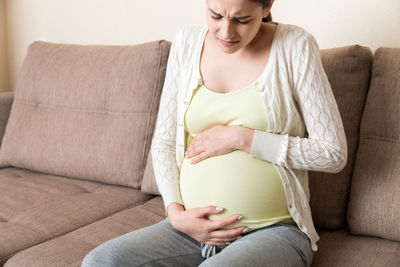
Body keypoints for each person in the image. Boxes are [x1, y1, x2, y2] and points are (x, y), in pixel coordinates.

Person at [81, 0, 347, 266]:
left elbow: (333, 153)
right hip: (188, 232)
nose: (225, 32)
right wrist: (175, 213)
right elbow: (163, 141)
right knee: (100, 262)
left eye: (242, 20)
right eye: (215, 15)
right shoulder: (187, 43)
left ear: (267, 7)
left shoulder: (295, 44)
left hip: (271, 232)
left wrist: (242, 138)